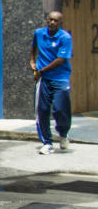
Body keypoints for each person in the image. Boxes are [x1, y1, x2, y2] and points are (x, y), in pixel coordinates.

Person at [30, 10, 73, 155]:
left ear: (60, 23)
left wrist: (41, 71)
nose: (52, 22)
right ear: (47, 20)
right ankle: (47, 142)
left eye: (56, 21)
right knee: (42, 111)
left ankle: (63, 134)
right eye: (50, 20)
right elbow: (33, 47)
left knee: (61, 109)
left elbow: (60, 60)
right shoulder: (39, 33)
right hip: (44, 80)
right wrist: (32, 61)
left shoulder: (65, 38)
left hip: (60, 78)